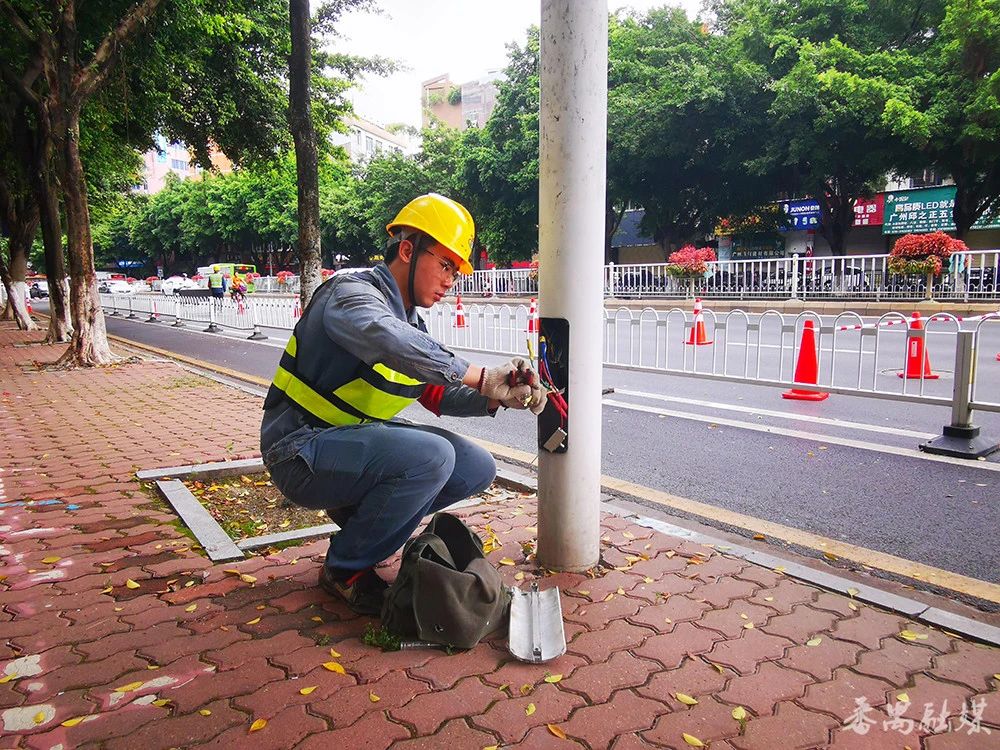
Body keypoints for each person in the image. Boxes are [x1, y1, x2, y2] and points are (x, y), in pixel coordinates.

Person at [260, 193, 547, 614]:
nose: (451, 280)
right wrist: (482, 376)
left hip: (348, 446)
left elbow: (437, 392)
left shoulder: (413, 324)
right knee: (431, 456)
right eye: (445, 264)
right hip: (299, 450)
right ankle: (345, 570)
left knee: (475, 465)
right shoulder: (351, 293)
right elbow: (386, 338)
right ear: (408, 249)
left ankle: (367, 527)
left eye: (456, 270)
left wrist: (498, 398)